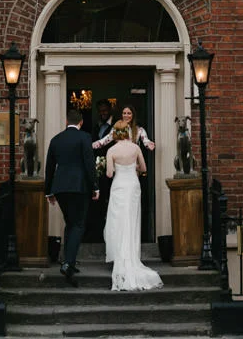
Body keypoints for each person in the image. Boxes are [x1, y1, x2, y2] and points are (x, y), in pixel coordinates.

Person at [103, 122, 163, 292]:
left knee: (118, 221)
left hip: (119, 186)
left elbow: (109, 174)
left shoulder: (111, 150)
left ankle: (120, 256)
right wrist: (133, 167)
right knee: (132, 221)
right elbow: (143, 168)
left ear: (115, 133)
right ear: (128, 132)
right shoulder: (135, 148)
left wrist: (109, 166)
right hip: (133, 185)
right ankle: (131, 256)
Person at [44, 108, 98, 284]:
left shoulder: (56, 139)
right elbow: (89, 163)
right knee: (78, 224)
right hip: (79, 187)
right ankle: (68, 263)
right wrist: (95, 186)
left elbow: (49, 167)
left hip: (60, 187)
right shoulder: (84, 137)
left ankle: (69, 262)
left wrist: (48, 191)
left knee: (70, 223)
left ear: (66, 121)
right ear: (81, 122)